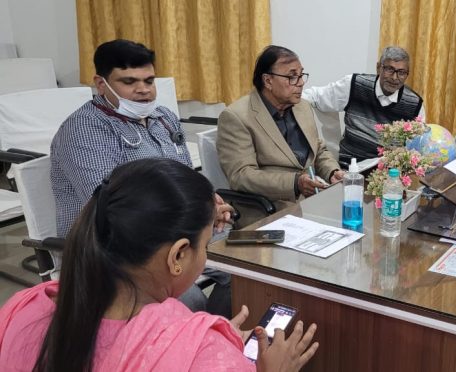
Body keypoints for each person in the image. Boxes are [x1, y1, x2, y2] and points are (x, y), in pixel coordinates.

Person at [0, 158, 318, 371]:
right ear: (178, 256)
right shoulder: (203, 355)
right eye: (205, 244)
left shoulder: (23, 307)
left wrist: (211, 345)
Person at [50, 39, 233, 316]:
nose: (143, 90)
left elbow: (184, 177)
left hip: (175, 235)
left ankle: (215, 342)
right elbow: (112, 211)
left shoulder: (164, 118)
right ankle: (187, 349)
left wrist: (208, 205)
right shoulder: (84, 131)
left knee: (248, 271)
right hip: (112, 248)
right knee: (186, 299)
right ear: (101, 84)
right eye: (129, 81)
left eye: (149, 80)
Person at [217, 45, 343, 203]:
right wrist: (295, 183)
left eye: (301, 74)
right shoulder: (236, 117)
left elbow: (318, 150)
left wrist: (332, 171)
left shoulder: (302, 107)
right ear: (268, 81)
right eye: (292, 77)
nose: (301, 82)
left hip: (312, 200)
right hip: (271, 207)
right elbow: (241, 176)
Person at [302, 45, 425, 166]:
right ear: (378, 68)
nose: (394, 77)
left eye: (401, 72)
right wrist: (289, 99)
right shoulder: (354, 85)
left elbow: (417, 147)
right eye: (389, 69)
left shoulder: (415, 104)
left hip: (389, 173)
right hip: (350, 167)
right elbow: (316, 96)